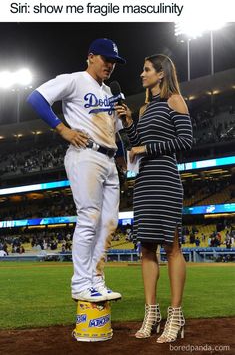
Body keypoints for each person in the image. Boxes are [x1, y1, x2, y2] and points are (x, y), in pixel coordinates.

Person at [27, 38, 126, 302]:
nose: (110, 65)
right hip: (86, 154)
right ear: (91, 57)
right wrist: (63, 129)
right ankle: (80, 284)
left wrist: (123, 156)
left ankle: (96, 279)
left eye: (114, 62)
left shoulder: (109, 93)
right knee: (90, 219)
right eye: (106, 59)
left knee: (109, 223)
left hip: (109, 157)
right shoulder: (74, 80)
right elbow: (36, 98)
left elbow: (116, 132)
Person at [115, 54, 193, 342]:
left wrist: (145, 148)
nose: (141, 74)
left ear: (161, 74)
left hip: (165, 179)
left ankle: (176, 314)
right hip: (145, 182)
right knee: (146, 249)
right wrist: (129, 123)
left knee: (171, 247)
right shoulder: (145, 107)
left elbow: (185, 141)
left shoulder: (175, 101)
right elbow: (136, 144)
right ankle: (151, 313)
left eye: (146, 69)